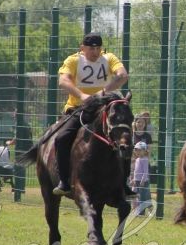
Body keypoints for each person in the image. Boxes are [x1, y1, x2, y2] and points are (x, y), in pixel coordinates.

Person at [53, 32, 130, 197]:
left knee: (125, 136)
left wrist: (102, 93)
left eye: (98, 48)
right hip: (79, 108)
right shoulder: (73, 60)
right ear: (82, 48)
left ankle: (124, 183)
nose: (95, 52)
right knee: (62, 137)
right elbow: (63, 81)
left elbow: (123, 75)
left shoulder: (109, 58)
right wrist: (82, 96)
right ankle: (64, 181)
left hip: (105, 108)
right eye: (91, 48)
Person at [131, 141, 153, 216]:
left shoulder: (145, 160)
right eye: (137, 150)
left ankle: (142, 213)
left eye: (140, 150)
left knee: (143, 197)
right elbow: (135, 171)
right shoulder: (137, 160)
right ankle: (146, 209)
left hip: (143, 182)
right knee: (141, 196)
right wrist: (134, 179)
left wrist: (143, 180)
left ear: (145, 151)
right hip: (137, 181)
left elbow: (145, 172)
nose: (138, 152)